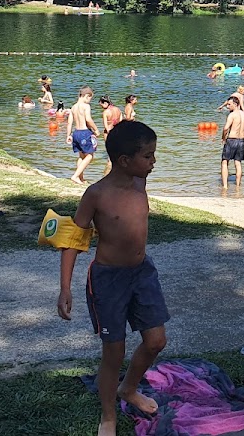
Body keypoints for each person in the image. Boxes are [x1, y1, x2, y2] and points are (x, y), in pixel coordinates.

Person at [57, 120, 168, 436]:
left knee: (156, 341)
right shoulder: (96, 194)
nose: (154, 161)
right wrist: (65, 288)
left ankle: (128, 388)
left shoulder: (139, 183)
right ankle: (108, 417)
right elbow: (73, 241)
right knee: (114, 352)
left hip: (142, 273)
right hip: (108, 280)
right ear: (124, 160)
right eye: (147, 156)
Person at [67, 87, 101, 185]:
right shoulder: (86, 106)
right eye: (90, 98)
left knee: (81, 156)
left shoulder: (73, 107)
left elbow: (69, 122)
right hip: (84, 132)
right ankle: (75, 176)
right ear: (86, 96)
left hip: (76, 133)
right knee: (90, 156)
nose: (90, 101)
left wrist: (68, 135)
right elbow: (88, 119)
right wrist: (96, 129)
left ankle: (80, 178)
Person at [220, 95, 244, 189]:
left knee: (224, 162)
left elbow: (226, 128)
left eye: (229, 104)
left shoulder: (232, 115)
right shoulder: (243, 114)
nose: (227, 106)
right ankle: (237, 186)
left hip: (231, 140)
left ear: (235, 104)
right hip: (241, 141)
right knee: (238, 163)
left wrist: (223, 138)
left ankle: (225, 186)